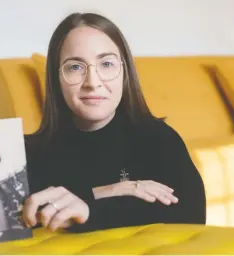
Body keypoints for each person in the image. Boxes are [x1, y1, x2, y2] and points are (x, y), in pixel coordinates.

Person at [22, 12, 206, 233]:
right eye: (75, 67)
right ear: (56, 78)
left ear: (124, 73)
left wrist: (89, 210)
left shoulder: (158, 138)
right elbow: (18, 218)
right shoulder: (30, 152)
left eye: (106, 64)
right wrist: (108, 191)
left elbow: (191, 215)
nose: (92, 82)